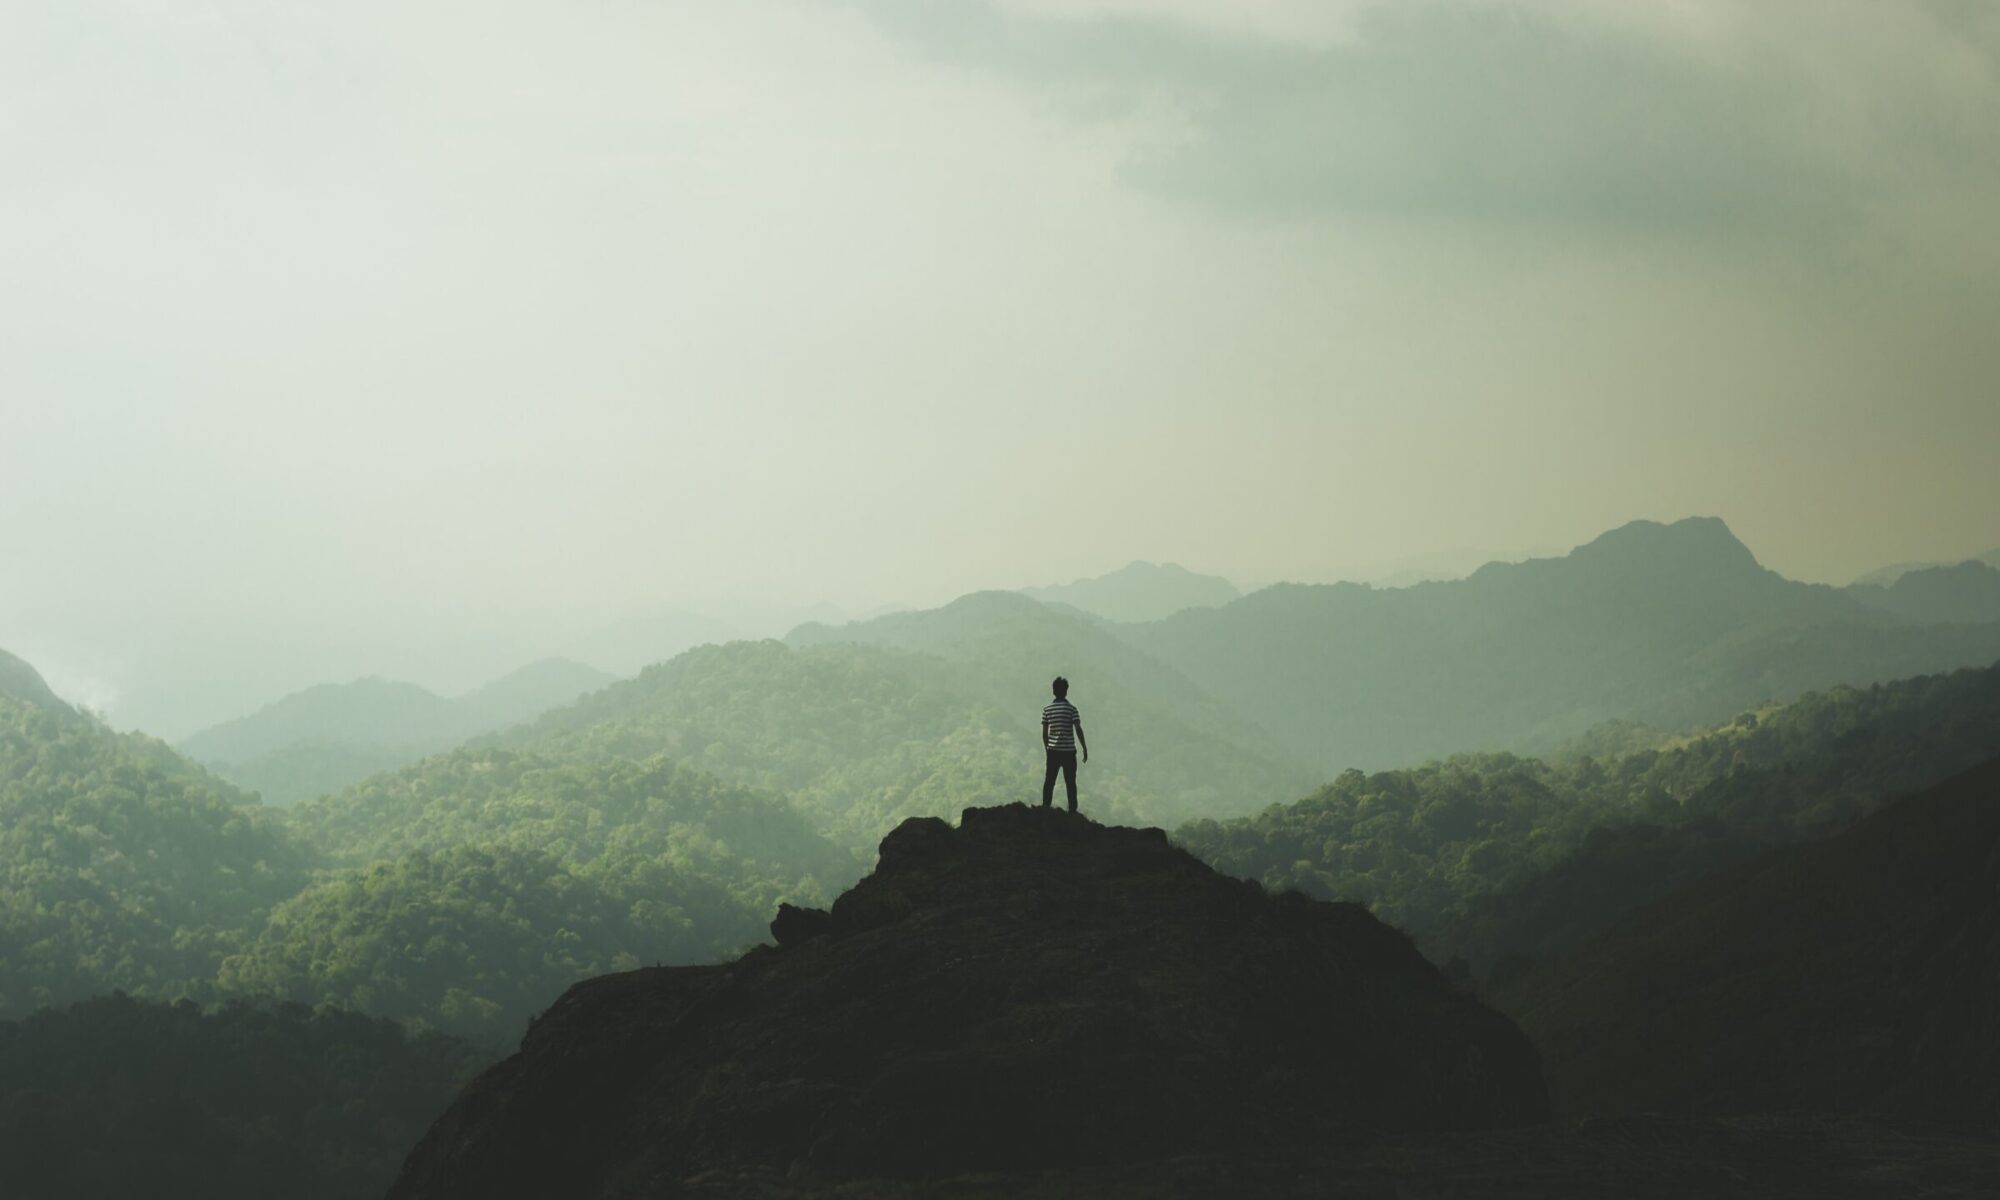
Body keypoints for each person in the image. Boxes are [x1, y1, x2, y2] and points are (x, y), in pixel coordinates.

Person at [1040, 676, 1088, 812]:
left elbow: (1044, 733)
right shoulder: (1072, 709)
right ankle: (1072, 812)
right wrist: (1084, 747)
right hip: (1068, 752)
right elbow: (1078, 728)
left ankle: (1045, 809)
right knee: (1071, 783)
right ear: (1066, 691)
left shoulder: (1047, 709)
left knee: (1049, 781)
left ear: (1053, 691)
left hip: (1053, 751)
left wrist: (1047, 748)